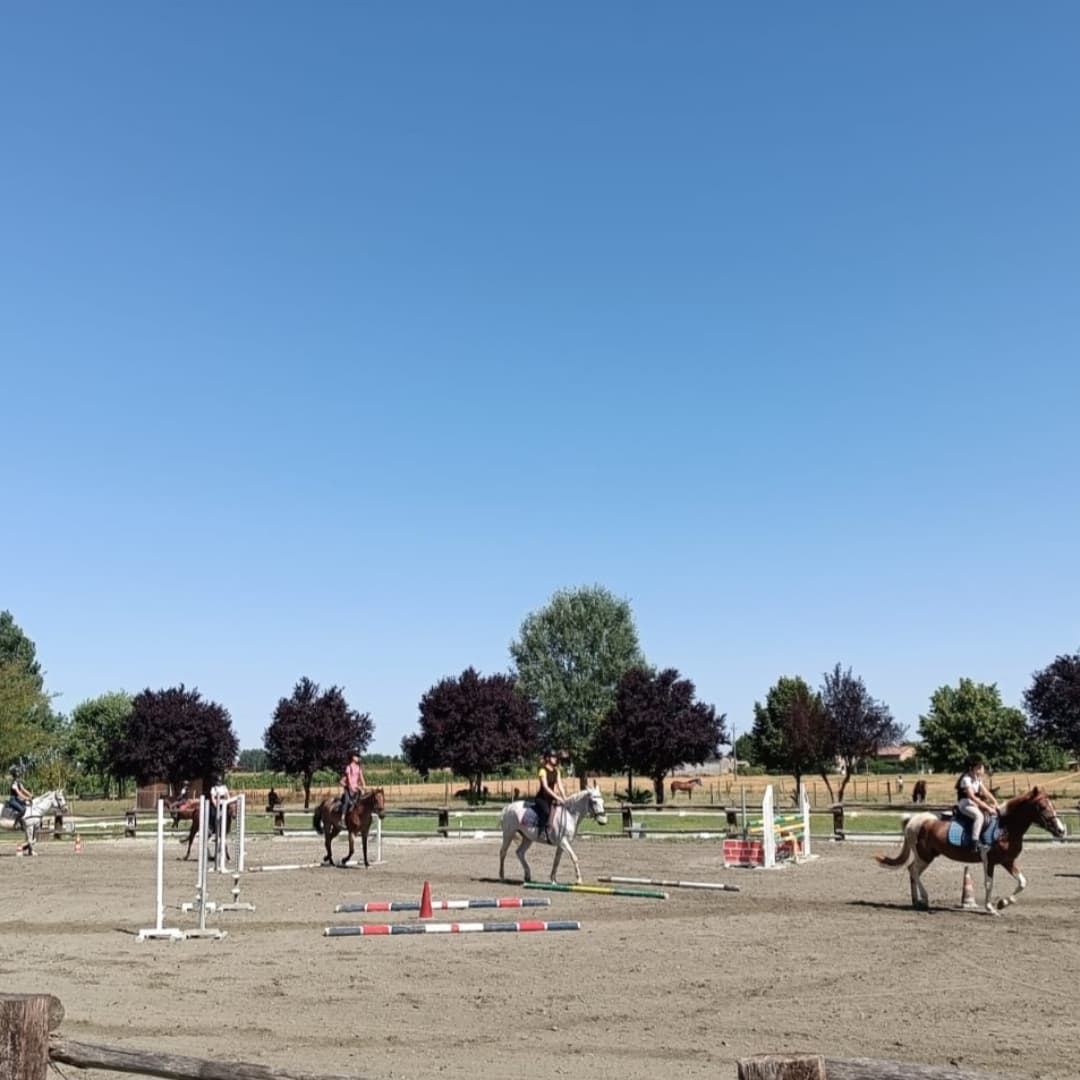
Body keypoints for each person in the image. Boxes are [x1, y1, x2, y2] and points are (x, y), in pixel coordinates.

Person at [955, 755, 999, 855]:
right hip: (965, 804)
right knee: (979, 816)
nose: (982, 769)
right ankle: (974, 843)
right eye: (979, 767)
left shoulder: (977, 778)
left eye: (981, 766)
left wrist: (995, 802)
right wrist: (987, 807)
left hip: (974, 803)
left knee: (992, 814)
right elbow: (972, 797)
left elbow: (986, 792)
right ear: (971, 768)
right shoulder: (966, 779)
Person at [534, 749, 566, 841]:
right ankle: (541, 831)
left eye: (556, 757)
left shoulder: (557, 771)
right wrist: (557, 797)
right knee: (546, 811)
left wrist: (565, 798)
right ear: (547, 758)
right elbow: (545, 787)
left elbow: (560, 786)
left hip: (551, 798)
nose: (555, 759)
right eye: (553, 757)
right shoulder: (542, 770)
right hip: (541, 798)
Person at [340, 751, 366, 820]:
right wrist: (351, 787)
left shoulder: (359, 768)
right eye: (357, 756)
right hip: (349, 788)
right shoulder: (349, 767)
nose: (358, 758)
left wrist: (364, 785)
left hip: (356, 788)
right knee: (347, 801)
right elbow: (349, 778)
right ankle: (342, 817)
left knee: (361, 801)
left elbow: (361, 777)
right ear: (353, 757)